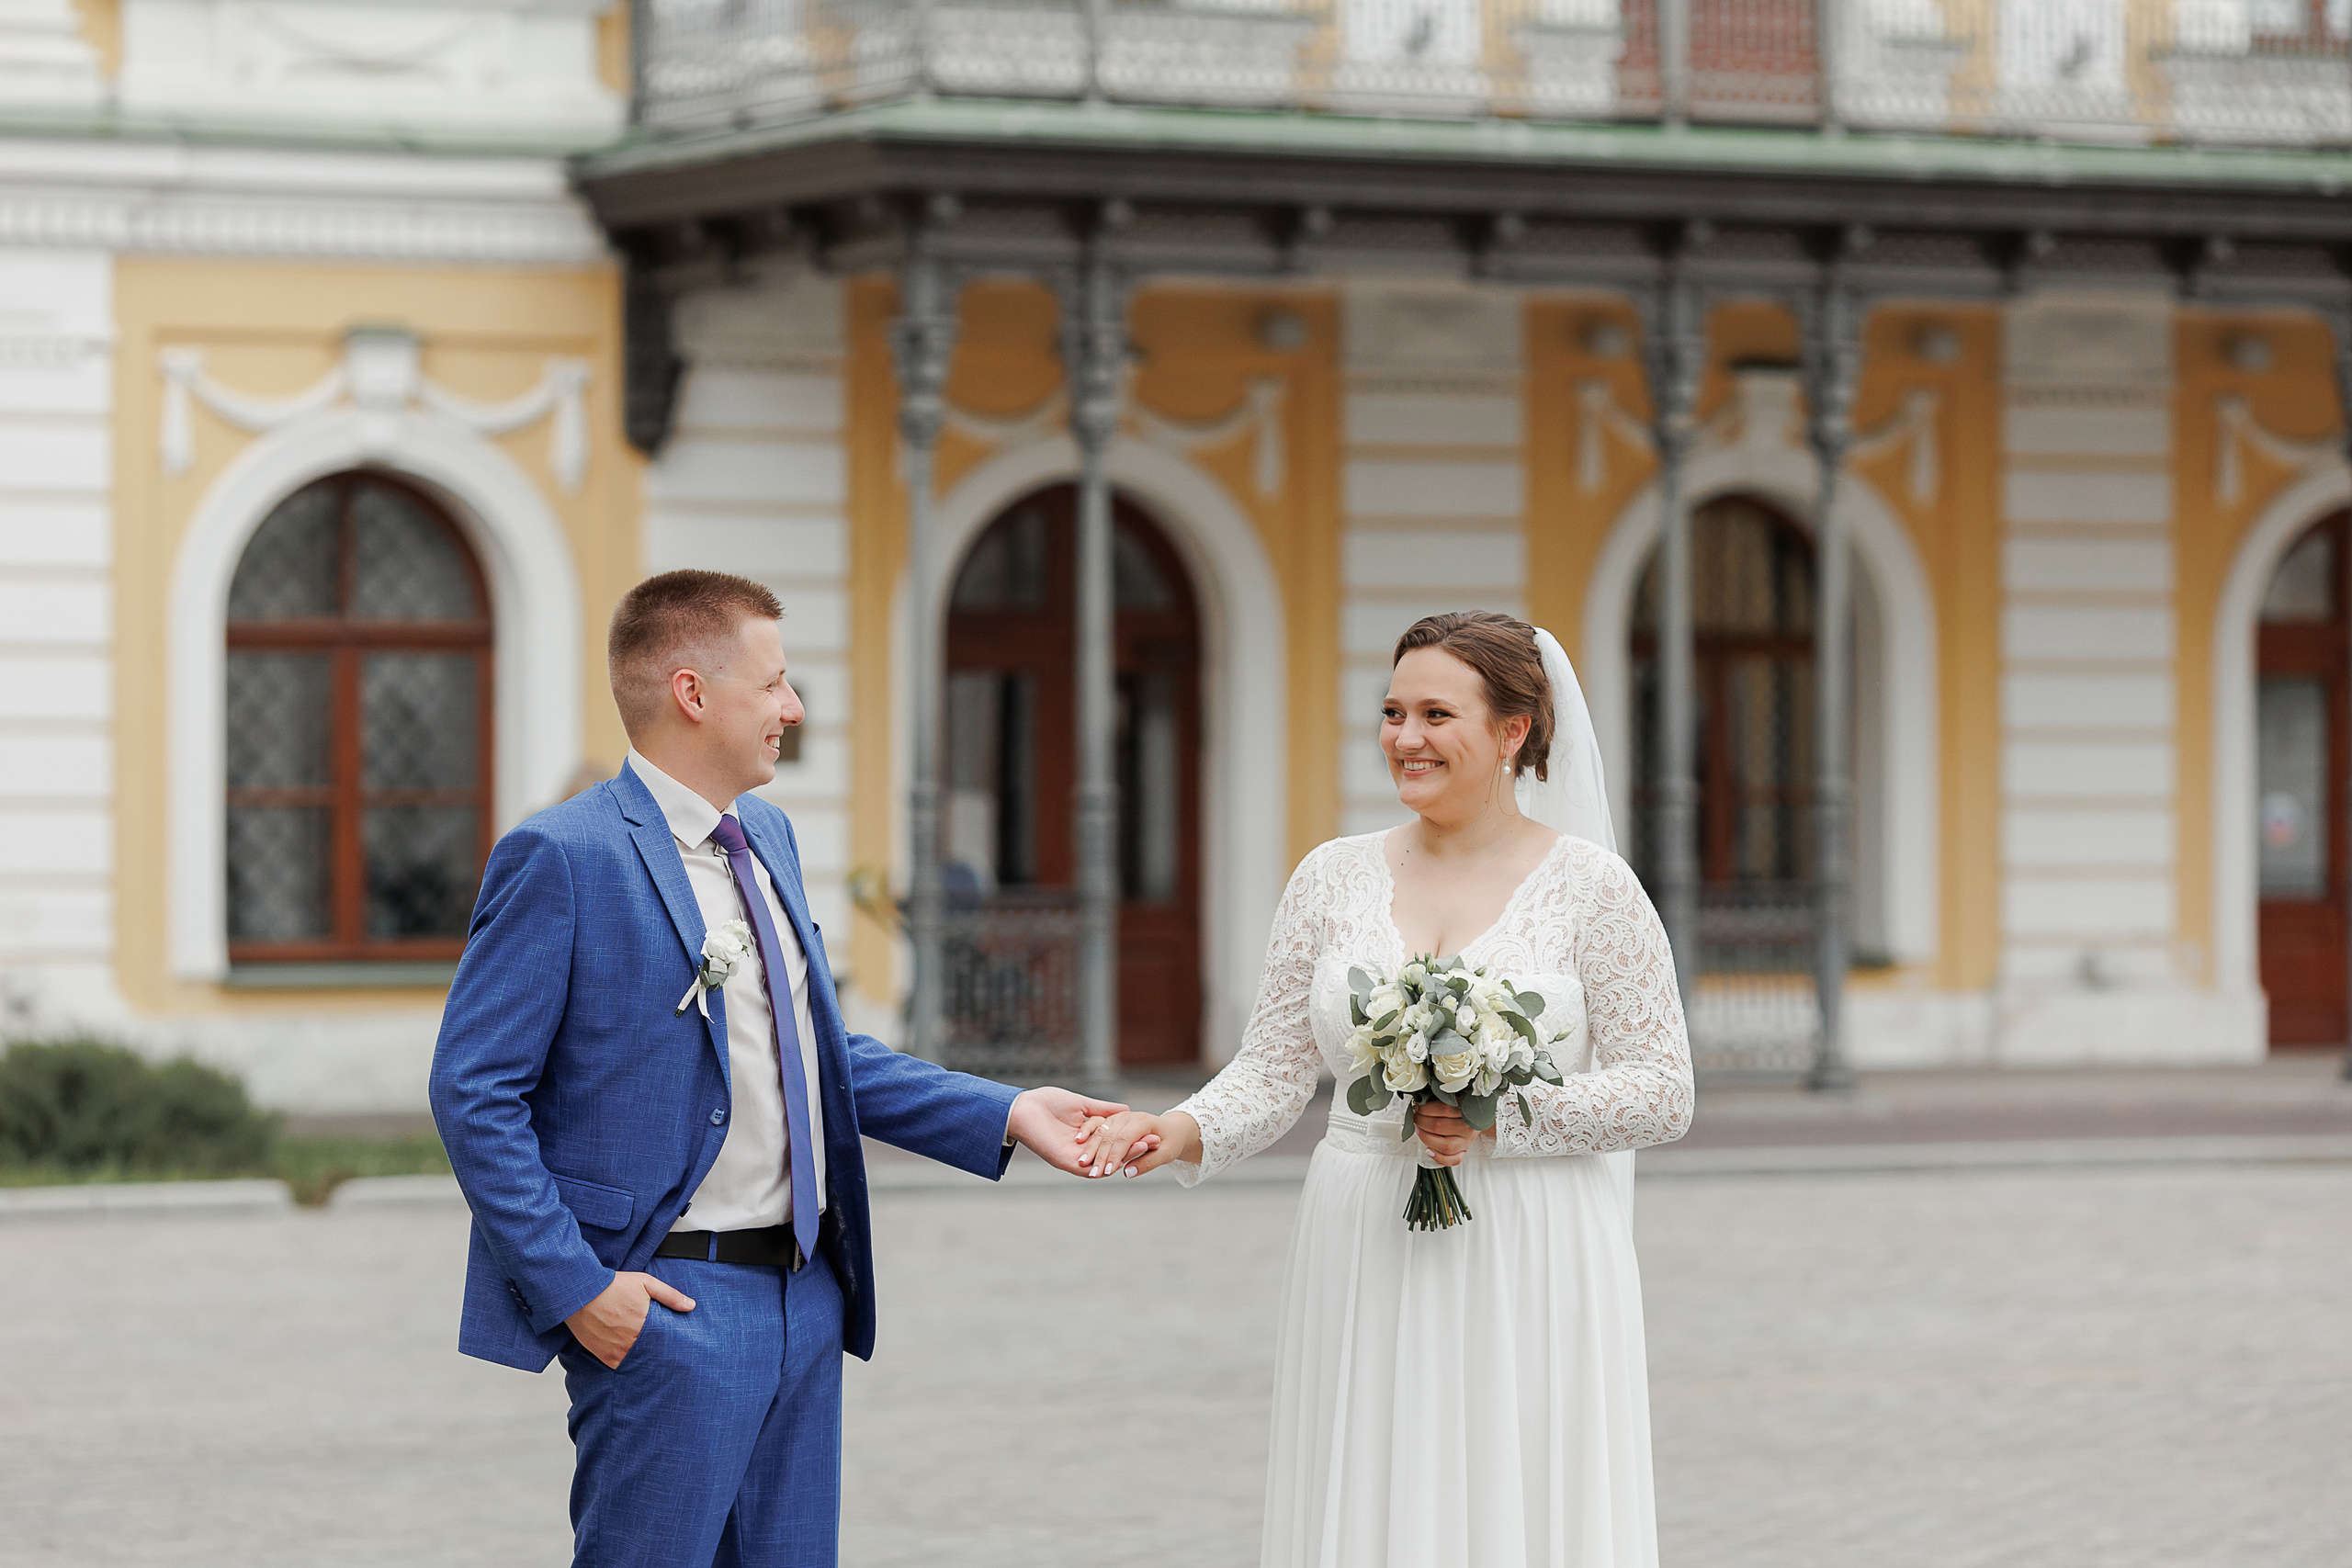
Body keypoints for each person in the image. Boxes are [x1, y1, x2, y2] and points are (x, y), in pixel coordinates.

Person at [429, 570, 1124, 1568]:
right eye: (776, 684)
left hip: (807, 1302)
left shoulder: (773, 840)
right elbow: (471, 1089)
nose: (793, 709)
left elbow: (817, 1055)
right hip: (667, 1309)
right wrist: (578, 1288)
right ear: (692, 693)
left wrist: (1009, 1111)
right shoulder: (564, 856)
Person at [1079, 610, 1694, 1568]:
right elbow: (1274, 1069)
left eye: (1435, 713)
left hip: (1534, 1239)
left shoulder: (1594, 889)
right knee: (1374, 1487)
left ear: (1511, 731)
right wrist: (1176, 1129)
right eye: (1392, 711)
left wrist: (1500, 1115)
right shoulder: (1330, 878)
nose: (1405, 738)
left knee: (1517, 1484)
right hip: (1365, 1227)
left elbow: (1663, 1090)